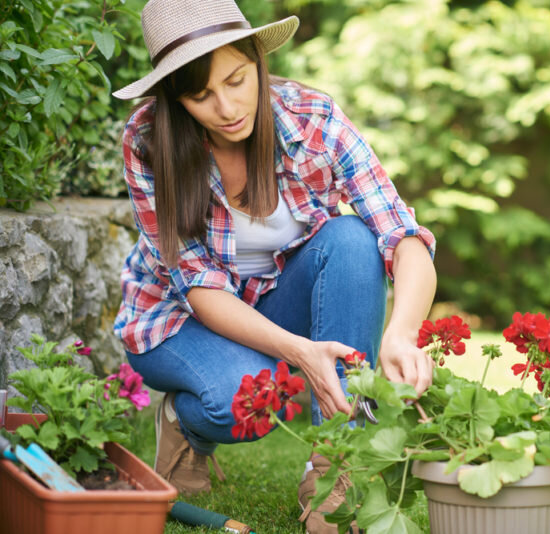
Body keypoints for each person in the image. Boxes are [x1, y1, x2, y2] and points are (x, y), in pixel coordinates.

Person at [111, 1, 437, 532]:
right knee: (247, 399)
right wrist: (299, 353)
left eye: (237, 80)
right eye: (200, 95)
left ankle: (336, 468)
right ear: (176, 98)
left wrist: (401, 334)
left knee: (353, 238)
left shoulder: (314, 119)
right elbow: (196, 284)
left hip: (274, 302)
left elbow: (403, 235)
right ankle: (183, 423)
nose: (226, 106)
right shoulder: (148, 142)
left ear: (258, 61)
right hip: (178, 320)